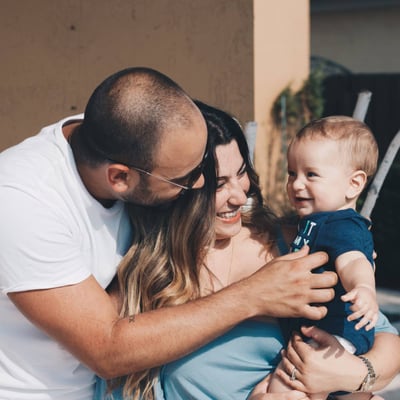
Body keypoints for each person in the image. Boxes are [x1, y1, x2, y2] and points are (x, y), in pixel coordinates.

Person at [0, 67, 338, 400]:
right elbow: (106, 349)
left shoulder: (129, 132)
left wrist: (344, 243)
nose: (200, 185)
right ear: (120, 178)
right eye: (187, 179)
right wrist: (253, 295)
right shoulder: (23, 201)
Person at [96, 103, 400, 400]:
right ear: (177, 188)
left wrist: (354, 376)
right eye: (218, 184)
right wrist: (250, 296)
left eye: (241, 173)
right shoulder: (145, 274)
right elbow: (110, 362)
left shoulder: (292, 243)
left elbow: (383, 338)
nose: (240, 196)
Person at [268, 116, 381, 399]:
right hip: (322, 331)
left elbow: (355, 261)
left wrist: (364, 288)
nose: (296, 184)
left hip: (335, 334)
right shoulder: (317, 221)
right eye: (292, 173)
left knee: (291, 388)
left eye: (311, 175)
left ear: (353, 184)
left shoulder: (342, 226)